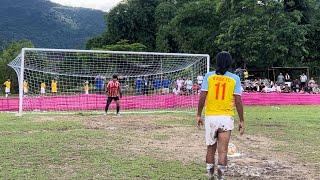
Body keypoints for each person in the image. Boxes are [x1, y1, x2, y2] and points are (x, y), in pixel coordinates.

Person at [196, 51, 244, 179]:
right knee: (223, 151)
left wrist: (198, 114)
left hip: (211, 117)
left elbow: (202, 97)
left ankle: (210, 176)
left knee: (210, 149)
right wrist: (242, 120)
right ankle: (220, 177)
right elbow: (238, 101)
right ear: (229, 63)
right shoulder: (235, 78)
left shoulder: (208, 76)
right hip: (226, 118)